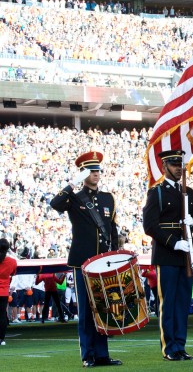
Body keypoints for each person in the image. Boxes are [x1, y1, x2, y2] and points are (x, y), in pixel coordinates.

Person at [49, 151, 122, 367]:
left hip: (104, 262)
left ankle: (102, 354)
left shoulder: (108, 198)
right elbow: (55, 203)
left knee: (104, 307)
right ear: (83, 174)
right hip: (83, 261)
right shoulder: (73, 197)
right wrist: (72, 184)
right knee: (86, 311)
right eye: (91, 171)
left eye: (98, 170)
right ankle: (87, 355)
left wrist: (116, 255)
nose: (96, 174)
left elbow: (112, 230)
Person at [142, 149, 193, 361]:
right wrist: (173, 242)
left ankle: (180, 345)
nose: (179, 168)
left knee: (183, 302)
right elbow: (149, 226)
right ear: (164, 167)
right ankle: (169, 347)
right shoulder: (157, 192)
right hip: (167, 254)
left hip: (186, 254)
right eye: (174, 164)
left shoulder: (189, 192)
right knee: (168, 302)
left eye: (180, 164)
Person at [0, 238, 18, 346]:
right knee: (2, 315)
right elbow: (13, 273)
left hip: (3, 291)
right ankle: (1, 338)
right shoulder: (12, 262)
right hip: (3, 292)